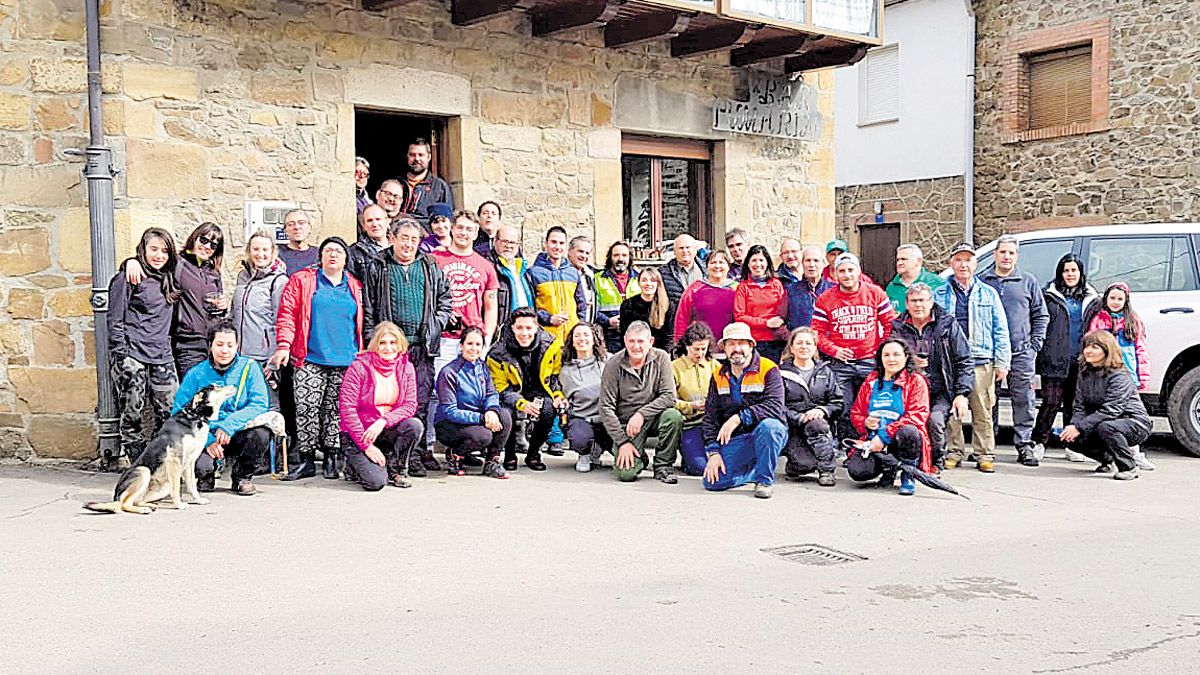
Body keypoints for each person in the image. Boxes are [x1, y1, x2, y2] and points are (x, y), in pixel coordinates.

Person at [361, 217, 453, 476]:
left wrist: (437, 322)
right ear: (392, 239)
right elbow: (369, 306)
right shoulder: (378, 265)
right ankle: (391, 453)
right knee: (387, 401)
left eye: (414, 239)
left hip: (421, 347)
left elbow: (445, 298)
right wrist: (371, 342)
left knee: (420, 402)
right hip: (389, 350)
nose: (409, 244)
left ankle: (417, 453)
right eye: (404, 238)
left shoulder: (429, 264)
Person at [272, 237, 365, 481]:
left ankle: (332, 458)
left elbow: (362, 321)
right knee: (307, 408)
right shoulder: (302, 281)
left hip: (345, 359)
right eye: (328, 251)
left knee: (335, 411)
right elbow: (287, 315)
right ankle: (306, 458)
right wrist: (284, 345)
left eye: (338, 251)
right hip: (310, 356)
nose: (333, 255)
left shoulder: (354, 286)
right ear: (320, 256)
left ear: (346, 258)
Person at [106, 227, 181, 468]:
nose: (159, 256)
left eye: (165, 251)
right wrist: (122, 354)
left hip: (161, 354)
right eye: (154, 250)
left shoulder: (169, 278)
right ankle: (138, 465)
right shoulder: (127, 277)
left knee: (169, 411)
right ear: (143, 250)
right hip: (133, 355)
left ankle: (158, 461)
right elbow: (114, 318)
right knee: (133, 413)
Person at [933, 243, 1009, 473]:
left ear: (975, 264)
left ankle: (984, 453)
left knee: (982, 409)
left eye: (968, 260)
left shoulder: (988, 293)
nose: (963, 264)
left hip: (981, 359)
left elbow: (1000, 328)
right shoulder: (940, 293)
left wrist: (1002, 361)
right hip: (949, 360)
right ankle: (954, 451)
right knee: (951, 411)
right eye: (958, 260)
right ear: (951, 263)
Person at [175, 319, 271, 495]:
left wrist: (229, 425)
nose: (224, 350)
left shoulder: (250, 368)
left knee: (261, 434)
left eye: (230, 345)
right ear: (210, 345)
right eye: (219, 344)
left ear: (237, 346)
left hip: (237, 432)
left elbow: (259, 404)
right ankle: (206, 476)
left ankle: (243, 477)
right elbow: (179, 413)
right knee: (201, 466)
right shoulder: (196, 373)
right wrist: (208, 440)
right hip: (205, 435)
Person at [123, 222, 228, 377]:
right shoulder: (177, 263)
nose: (207, 246)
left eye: (213, 245)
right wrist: (130, 262)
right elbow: (153, 265)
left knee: (212, 395)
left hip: (212, 344)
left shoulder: (213, 272)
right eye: (204, 240)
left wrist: (222, 307)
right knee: (192, 394)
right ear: (194, 238)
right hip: (187, 344)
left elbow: (217, 307)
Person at [980, 235, 1049, 467]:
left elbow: (1041, 315)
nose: (1006, 257)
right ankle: (988, 445)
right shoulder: (983, 281)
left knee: (1023, 398)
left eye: (1011, 253)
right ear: (994, 255)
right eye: (1002, 252)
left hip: (1021, 352)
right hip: (989, 353)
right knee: (989, 399)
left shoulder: (1028, 281)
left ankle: (1024, 444)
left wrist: (1034, 345)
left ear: (1017, 256)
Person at [811, 252, 895, 440]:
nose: (847, 275)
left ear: (858, 271)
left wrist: (881, 350)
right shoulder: (825, 299)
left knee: (873, 403)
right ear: (835, 274)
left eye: (851, 270)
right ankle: (847, 444)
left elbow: (890, 324)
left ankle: (874, 440)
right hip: (841, 363)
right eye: (842, 271)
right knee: (843, 406)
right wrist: (835, 350)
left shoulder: (875, 293)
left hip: (869, 360)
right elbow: (816, 332)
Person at [700, 322, 788, 499]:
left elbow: (774, 406)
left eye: (741, 343)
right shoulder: (718, 375)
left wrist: (738, 418)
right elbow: (710, 417)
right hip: (739, 439)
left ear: (750, 345)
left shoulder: (768, 368)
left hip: (765, 432)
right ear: (724, 348)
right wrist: (714, 452)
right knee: (712, 483)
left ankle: (764, 481)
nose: (736, 348)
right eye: (731, 344)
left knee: (770, 428)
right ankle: (755, 470)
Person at [892, 283, 972, 472]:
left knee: (934, 421)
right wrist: (910, 362)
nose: (918, 305)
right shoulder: (897, 326)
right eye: (914, 301)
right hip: (908, 390)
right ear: (907, 304)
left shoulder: (947, 324)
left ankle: (936, 462)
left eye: (922, 300)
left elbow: (965, 359)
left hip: (940, 390)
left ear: (931, 302)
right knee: (903, 423)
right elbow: (888, 357)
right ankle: (903, 462)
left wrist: (962, 394)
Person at [337, 322, 424, 491]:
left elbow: (410, 405)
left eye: (393, 343)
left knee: (414, 425)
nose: (388, 348)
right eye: (382, 343)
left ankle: (396, 469)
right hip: (359, 434)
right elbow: (347, 409)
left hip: (384, 429)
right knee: (375, 483)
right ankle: (353, 466)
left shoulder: (407, 368)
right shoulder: (358, 367)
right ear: (374, 345)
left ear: (400, 345)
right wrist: (367, 447)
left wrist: (383, 421)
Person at [1059, 331, 1152, 481]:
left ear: (1107, 350)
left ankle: (1129, 466)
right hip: (1102, 421)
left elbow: (1112, 410)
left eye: (1095, 347)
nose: (1089, 351)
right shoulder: (1084, 373)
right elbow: (1079, 406)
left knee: (1107, 428)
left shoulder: (1119, 375)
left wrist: (1080, 427)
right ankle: (1107, 460)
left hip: (1134, 422)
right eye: (1086, 347)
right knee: (1068, 438)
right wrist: (1074, 426)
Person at [1033, 254, 1099, 464]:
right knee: (1051, 402)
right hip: (1054, 358)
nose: (1070, 275)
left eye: (1074, 270)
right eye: (1066, 270)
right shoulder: (1049, 296)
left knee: (1074, 405)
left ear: (1081, 273)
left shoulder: (1090, 297)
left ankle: (1072, 446)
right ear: (1060, 273)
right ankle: (1039, 441)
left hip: (1080, 359)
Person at [599, 321, 684, 484]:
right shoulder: (613, 364)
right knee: (626, 474)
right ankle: (639, 456)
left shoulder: (662, 358)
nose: (636, 346)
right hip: (626, 424)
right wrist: (622, 442)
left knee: (673, 416)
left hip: (653, 417)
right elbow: (605, 407)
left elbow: (669, 396)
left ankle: (663, 465)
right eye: (631, 341)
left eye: (641, 341)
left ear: (650, 342)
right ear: (625, 341)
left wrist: (641, 414)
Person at [847, 338, 932, 496]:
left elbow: (917, 415)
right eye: (886, 355)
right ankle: (888, 470)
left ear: (906, 357)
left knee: (909, 431)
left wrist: (884, 437)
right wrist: (865, 422)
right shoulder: (871, 380)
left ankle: (908, 474)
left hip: (900, 439)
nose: (891, 359)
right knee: (857, 472)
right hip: (872, 438)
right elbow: (856, 412)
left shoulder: (915, 381)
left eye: (896, 355)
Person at [1083, 281, 1154, 470]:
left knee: (1127, 414)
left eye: (1120, 299)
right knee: (1109, 414)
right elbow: (1090, 344)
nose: (1115, 302)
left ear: (1126, 301)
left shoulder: (1133, 320)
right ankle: (1111, 456)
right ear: (1105, 298)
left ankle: (1135, 454)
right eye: (1112, 298)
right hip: (1105, 373)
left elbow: (1141, 349)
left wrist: (1143, 376)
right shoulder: (1098, 319)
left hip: (1128, 374)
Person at [487, 307, 564, 471]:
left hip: (539, 391)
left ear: (536, 328)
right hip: (511, 392)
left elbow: (555, 378)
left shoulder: (551, 345)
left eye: (529, 328)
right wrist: (521, 403)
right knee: (508, 412)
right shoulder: (497, 352)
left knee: (549, 410)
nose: (524, 333)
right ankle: (509, 454)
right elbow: (500, 388)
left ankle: (533, 453)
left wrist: (558, 395)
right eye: (519, 328)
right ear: (512, 327)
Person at [434, 326, 513, 478]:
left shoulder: (482, 368)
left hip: (477, 418)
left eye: (478, 345)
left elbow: (492, 393)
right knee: (483, 436)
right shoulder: (449, 372)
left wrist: (491, 411)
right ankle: (456, 455)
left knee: (505, 416)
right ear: (462, 345)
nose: (473, 348)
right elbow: (450, 411)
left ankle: (492, 462)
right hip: (450, 424)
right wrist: (482, 418)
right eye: (470, 344)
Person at [231, 229, 287, 410]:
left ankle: (274, 439)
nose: (260, 254)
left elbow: (283, 319)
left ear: (273, 252)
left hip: (264, 356)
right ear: (249, 251)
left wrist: (274, 357)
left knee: (267, 404)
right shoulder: (243, 276)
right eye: (256, 249)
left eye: (265, 250)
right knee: (242, 403)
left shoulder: (278, 281)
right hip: (240, 354)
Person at [779, 327, 843, 486]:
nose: (804, 346)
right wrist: (799, 417)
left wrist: (822, 410)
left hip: (819, 427)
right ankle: (796, 463)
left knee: (817, 424)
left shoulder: (826, 372)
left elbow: (838, 403)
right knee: (803, 466)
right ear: (791, 348)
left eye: (808, 343)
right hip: (794, 427)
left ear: (815, 347)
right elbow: (777, 406)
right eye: (799, 343)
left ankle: (827, 471)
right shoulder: (780, 373)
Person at [560, 322, 610, 473]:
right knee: (579, 437)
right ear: (572, 341)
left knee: (633, 462)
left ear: (594, 339)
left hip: (608, 419)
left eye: (586, 335)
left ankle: (600, 447)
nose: (582, 339)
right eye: (577, 335)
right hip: (581, 419)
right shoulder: (565, 370)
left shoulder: (608, 361)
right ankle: (584, 453)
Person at [527, 226, 588, 345]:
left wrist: (579, 326)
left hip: (571, 338)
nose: (557, 247)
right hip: (546, 337)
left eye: (561, 243)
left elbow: (581, 305)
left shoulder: (572, 272)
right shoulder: (533, 273)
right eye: (553, 242)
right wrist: (548, 319)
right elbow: (530, 307)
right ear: (546, 244)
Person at [672, 322, 718, 476]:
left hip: (713, 424)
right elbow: (668, 400)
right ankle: (689, 455)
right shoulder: (674, 368)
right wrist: (690, 406)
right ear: (686, 346)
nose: (700, 353)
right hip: (690, 424)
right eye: (696, 349)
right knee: (700, 468)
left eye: (703, 349)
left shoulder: (714, 366)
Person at [733, 245, 788, 363]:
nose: (758, 264)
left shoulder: (776, 284)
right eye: (754, 260)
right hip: (753, 341)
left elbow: (784, 310)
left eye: (761, 260)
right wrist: (766, 323)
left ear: (767, 263)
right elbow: (739, 316)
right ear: (748, 264)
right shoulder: (743, 287)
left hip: (776, 341)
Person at [674, 250, 737, 346]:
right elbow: (682, 318)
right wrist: (678, 344)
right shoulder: (694, 289)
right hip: (700, 348)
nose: (717, 266)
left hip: (730, 347)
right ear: (707, 266)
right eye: (713, 262)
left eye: (721, 262)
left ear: (728, 267)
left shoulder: (737, 289)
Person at [594, 240, 640, 353]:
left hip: (634, 335)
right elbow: (591, 309)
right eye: (616, 255)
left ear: (629, 258)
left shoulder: (640, 279)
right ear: (610, 258)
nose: (620, 259)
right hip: (607, 335)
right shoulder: (597, 279)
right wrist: (608, 321)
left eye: (624, 255)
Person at [490, 223, 535, 335]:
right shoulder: (490, 267)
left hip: (525, 331)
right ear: (495, 241)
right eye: (504, 241)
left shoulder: (523, 269)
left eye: (512, 242)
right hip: (503, 332)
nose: (508, 246)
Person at [399, 137, 453, 227]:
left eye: (421, 155)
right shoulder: (396, 184)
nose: (416, 159)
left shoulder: (440, 187)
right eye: (412, 155)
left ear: (429, 157)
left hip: (427, 237)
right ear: (407, 156)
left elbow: (447, 220)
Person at [660, 234, 706, 335]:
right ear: (675, 252)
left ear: (695, 250)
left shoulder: (707, 271)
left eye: (688, 247)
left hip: (702, 326)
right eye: (681, 248)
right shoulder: (663, 273)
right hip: (674, 327)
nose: (685, 251)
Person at [619, 267, 672, 350]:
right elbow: (624, 334)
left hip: (659, 352)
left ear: (658, 283)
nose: (648, 283)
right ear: (639, 283)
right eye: (644, 280)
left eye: (652, 280)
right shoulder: (628, 305)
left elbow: (669, 337)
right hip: (635, 350)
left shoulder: (667, 305)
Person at [885, 244, 945, 313]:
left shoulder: (937, 283)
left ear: (918, 261)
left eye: (904, 259)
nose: (899, 263)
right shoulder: (891, 287)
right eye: (898, 260)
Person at [785, 244, 834, 329]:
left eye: (816, 261)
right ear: (802, 264)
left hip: (826, 341)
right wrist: (792, 338)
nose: (811, 264)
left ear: (823, 264)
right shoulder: (791, 290)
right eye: (808, 260)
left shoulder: (833, 290)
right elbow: (780, 320)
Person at [348, 204, 390, 282]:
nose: (374, 224)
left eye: (378, 219)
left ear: (387, 221)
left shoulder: (399, 248)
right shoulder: (354, 253)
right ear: (364, 226)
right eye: (369, 220)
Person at [279, 208, 320, 276]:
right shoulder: (276, 254)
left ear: (309, 228)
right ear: (285, 231)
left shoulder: (320, 255)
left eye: (301, 223)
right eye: (291, 224)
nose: (297, 227)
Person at [569, 236, 598, 325]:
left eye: (587, 253)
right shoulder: (562, 274)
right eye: (580, 251)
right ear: (570, 251)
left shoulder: (590, 275)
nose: (584, 256)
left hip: (587, 326)